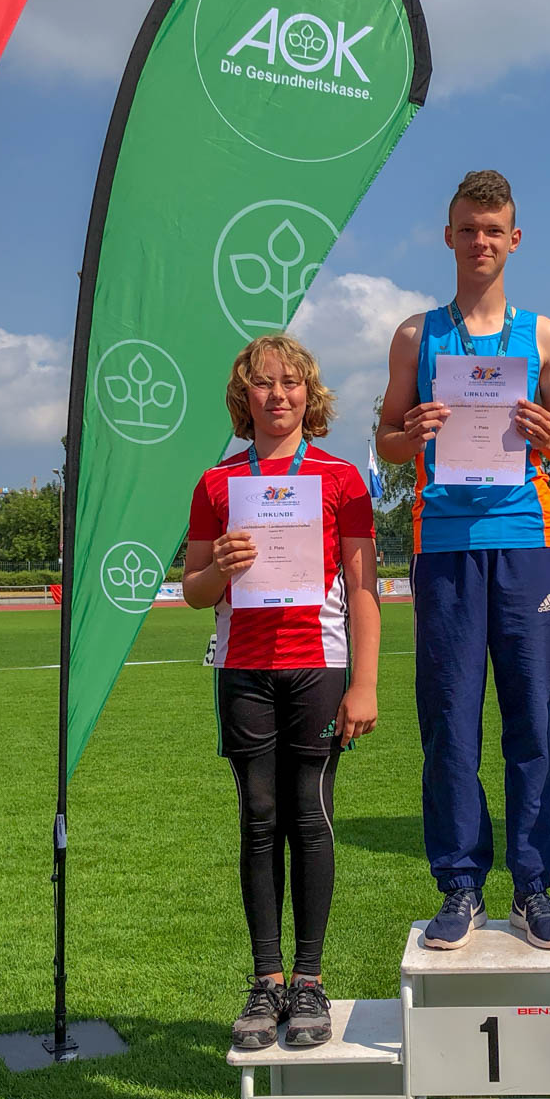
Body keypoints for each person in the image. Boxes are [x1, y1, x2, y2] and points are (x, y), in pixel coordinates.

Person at [376, 170, 550, 950]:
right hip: (445, 544)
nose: (480, 241)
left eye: (493, 230)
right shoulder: (416, 335)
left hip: (528, 540)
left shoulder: (545, 336)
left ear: (514, 239)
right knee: (450, 724)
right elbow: (386, 440)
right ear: (449, 236)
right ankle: (460, 885)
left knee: (533, 719)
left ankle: (532, 888)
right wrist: (413, 432)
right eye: (468, 229)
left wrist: (546, 435)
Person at [184, 335, 380, 1050]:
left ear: (309, 394)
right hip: (243, 669)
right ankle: (267, 981)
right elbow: (195, 590)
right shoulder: (216, 484)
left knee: (312, 815)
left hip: (318, 667)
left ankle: (310, 981)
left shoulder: (341, 479)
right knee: (259, 819)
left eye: (291, 382)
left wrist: (365, 682)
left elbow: (364, 589)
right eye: (264, 383)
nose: (278, 395)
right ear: (245, 395)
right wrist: (221, 567)